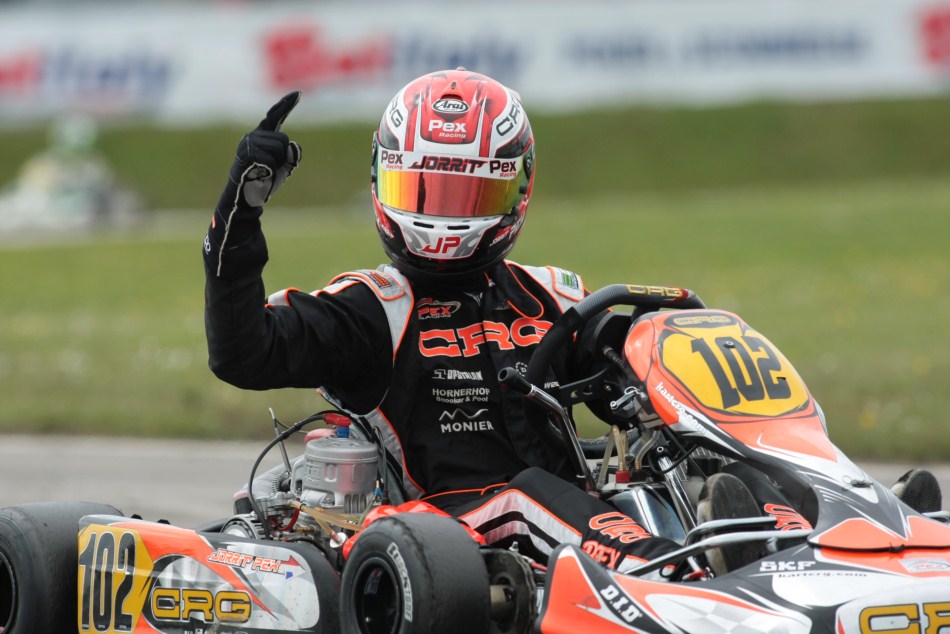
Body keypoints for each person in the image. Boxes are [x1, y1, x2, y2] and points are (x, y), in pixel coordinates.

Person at [203, 68, 683, 573]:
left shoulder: (551, 296)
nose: (444, 218)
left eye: (469, 196)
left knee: (677, 464)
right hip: (435, 532)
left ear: (516, 190)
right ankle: (670, 576)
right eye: (425, 192)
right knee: (524, 497)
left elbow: (622, 377)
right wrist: (239, 213)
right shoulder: (370, 309)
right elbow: (242, 353)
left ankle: (744, 540)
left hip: (562, 524)